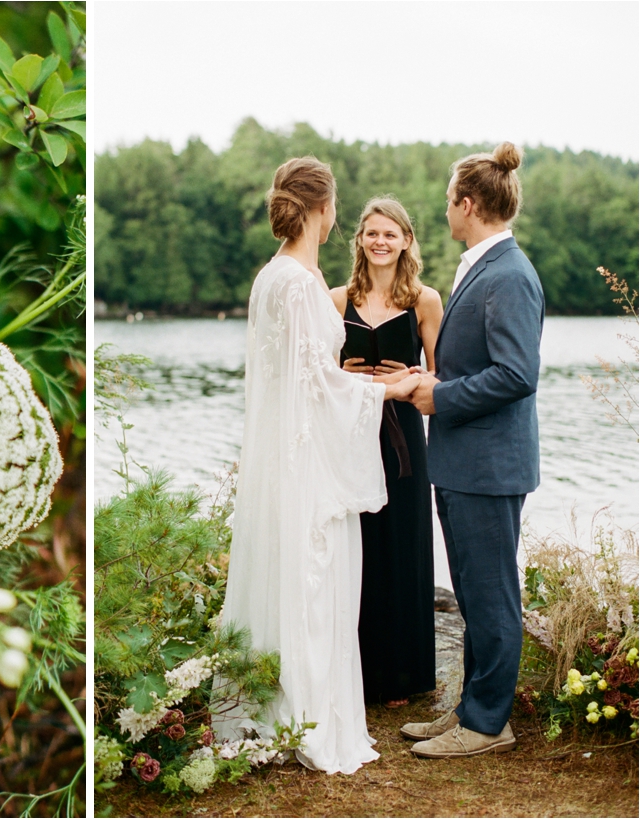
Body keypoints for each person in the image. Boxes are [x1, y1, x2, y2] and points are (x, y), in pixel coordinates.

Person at [214, 157, 420, 775]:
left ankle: (271, 705)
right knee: (312, 579)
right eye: (335, 209)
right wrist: (392, 389)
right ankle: (303, 718)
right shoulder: (300, 283)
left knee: (287, 575)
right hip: (306, 464)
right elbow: (315, 385)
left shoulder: (272, 275)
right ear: (322, 210)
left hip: (283, 455)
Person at [399, 142, 544, 758]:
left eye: (448, 203)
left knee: (490, 595)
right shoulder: (479, 265)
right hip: (463, 462)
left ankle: (487, 725)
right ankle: (470, 709)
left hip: (488, 466)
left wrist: (441, 396)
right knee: (470, 590)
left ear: (468, 204)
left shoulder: (510, 274)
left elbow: (518, 374)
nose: (445, 213)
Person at [329, 199, 443, 708]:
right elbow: (318, 379)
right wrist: (351, 379)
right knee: (358, 547)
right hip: (348, 437)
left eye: (390, 234)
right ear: (359, 240)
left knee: (401, 547)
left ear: (406, 241)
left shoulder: (425, 301)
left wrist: (405, 380)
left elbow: (441, 381)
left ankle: (402, 675)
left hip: (401, 441)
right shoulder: (336, 300)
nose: (380, 242)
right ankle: (354, 670)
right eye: (372, 233)